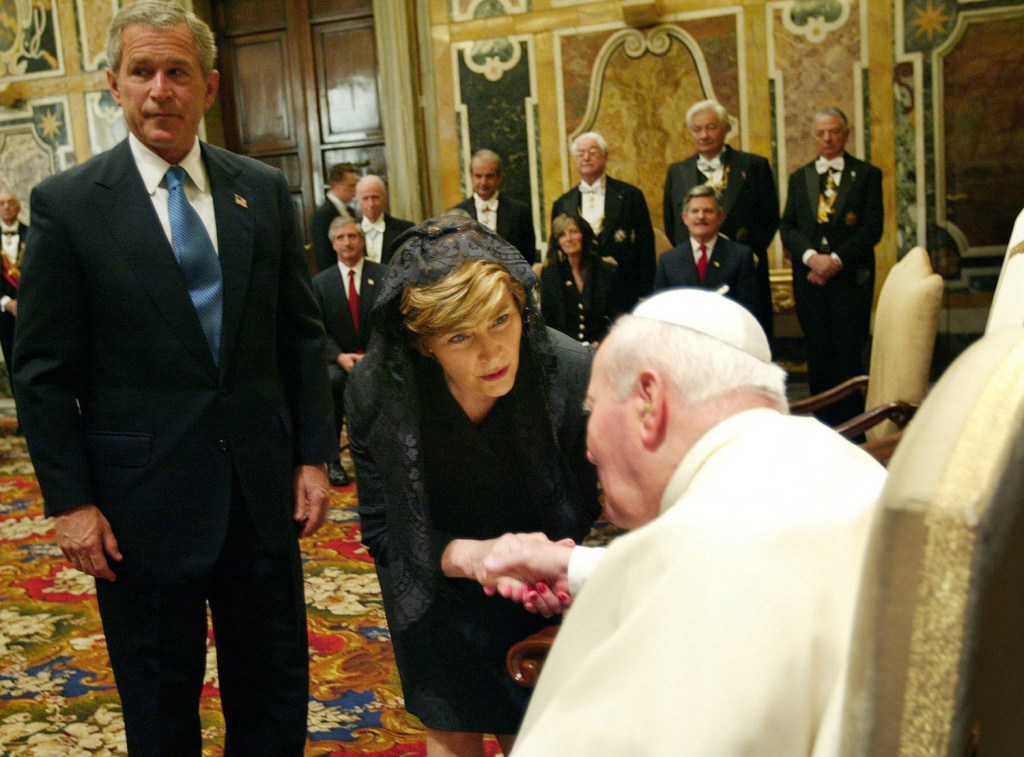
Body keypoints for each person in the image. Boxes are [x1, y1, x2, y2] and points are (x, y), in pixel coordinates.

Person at [12, 3, 337, 754]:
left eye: (177, 72)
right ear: (114, 85)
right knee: (159, 711)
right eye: (142, 72)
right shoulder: (68, 206)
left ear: (209, 86)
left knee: (274, 695)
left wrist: (314, 456)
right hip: (138, 509)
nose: (160, 89)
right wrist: (72, 503)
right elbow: (42, 373)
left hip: (260, 495)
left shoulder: (262, 188)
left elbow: (299, 335)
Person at [471, 289, 886, 754]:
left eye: (592, 408)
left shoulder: (689, 553)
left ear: (649, 401)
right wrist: (570, 565)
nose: (588, 449)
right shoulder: (835, 463)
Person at [345, 214, 601, 756]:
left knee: (535, 736)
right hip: (432, 581)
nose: (493, 352)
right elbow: (383, 529)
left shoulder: (569, 371)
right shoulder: (378, 390)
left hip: (537, 582)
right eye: (460, 337)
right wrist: (470, 557)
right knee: (450, 726)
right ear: (423, 343)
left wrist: (550, 563)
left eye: (501, 320)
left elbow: (588, 504)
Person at [780, 107, 883, 426]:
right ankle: (822, 424)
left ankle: (854, 425)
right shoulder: (800, 178)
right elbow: (788, 227)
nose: (828, 138)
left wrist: (835, 261)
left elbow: (872, 228)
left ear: (846, 134)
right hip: (810, 280)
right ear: (814, 137)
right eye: (821, 133)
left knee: (848, 352)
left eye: (834, 131)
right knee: (818, 350)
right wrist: (812, 258)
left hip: (850, 280)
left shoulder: (866, 175)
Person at [663, 99, 780, 338]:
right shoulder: (678, 171)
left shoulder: (754, 166)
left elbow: (769, 215)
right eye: (697, 129)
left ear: (726, 129)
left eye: (711, 127)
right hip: (693, 271)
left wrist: (747, 254)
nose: (704, 135)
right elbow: (672, 221)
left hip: (743, 272)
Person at [312, 216, 384, 487]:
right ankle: (333, 461)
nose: (347, 242)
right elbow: (317, 329)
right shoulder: (320, 283)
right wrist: (339, 357)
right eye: (340, 238)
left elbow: (387, 322)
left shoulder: (383, 274)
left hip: (376, 357)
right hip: (338, 360)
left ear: (362, 240)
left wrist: (373, 356)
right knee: (330, 382)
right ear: (333, 244)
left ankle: (383, 456)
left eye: (352, 236)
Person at [551, 132, 655, 310]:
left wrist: (646, 295)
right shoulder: (563, 203)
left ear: (606, 156)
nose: (586, 157)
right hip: (578, 294)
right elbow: (556, 252)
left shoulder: (630, 196)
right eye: (580, 154)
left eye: (592, 152)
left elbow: (645, 248)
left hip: (623, 289)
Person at [655, 184, 759, 317]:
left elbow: (748, 310)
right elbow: (660, 310)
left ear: (720, 217)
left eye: (708, 211)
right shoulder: (668, 261)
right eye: (694, 211)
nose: (701, 216)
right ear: (685, 218)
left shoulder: (740, 257)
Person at [540, 211, 622, 346]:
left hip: (602, 347)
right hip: (566, 349)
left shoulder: (606, 271)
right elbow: (548, 322)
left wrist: (600, 343)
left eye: (573, 232)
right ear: (558, 242)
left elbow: (616, 317)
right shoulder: (551, 275)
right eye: (562, 235)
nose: (568, 238)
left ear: (584, 235)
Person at [454, 149, 537, 263]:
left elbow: (528, 255)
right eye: (478, 176)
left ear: (500, 177)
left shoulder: (519, 211)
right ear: (471, 176)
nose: (483, 182)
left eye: (489, 176)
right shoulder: (457, 213)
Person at [0, 191, 27, 405]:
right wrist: (6, 302)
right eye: (2, 203)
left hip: (31, 310)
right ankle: (21, 411)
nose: (6, 207)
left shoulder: (33, 233)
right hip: (3, 313)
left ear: (18, 207)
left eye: (11, 203)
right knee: (11, 361)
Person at [310, 162, 360, 273]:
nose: (355, 190)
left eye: (355, 185)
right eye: (350, 186)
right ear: (334, 185)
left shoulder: (350, 210)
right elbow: (322, 254)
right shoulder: (323, 214)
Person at [356, 173, 414, 265]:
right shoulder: (349, 231)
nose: (371, 204)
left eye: (375, 197)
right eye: (365, 198)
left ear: (385, 199)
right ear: (358, 200)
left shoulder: (404, 229)